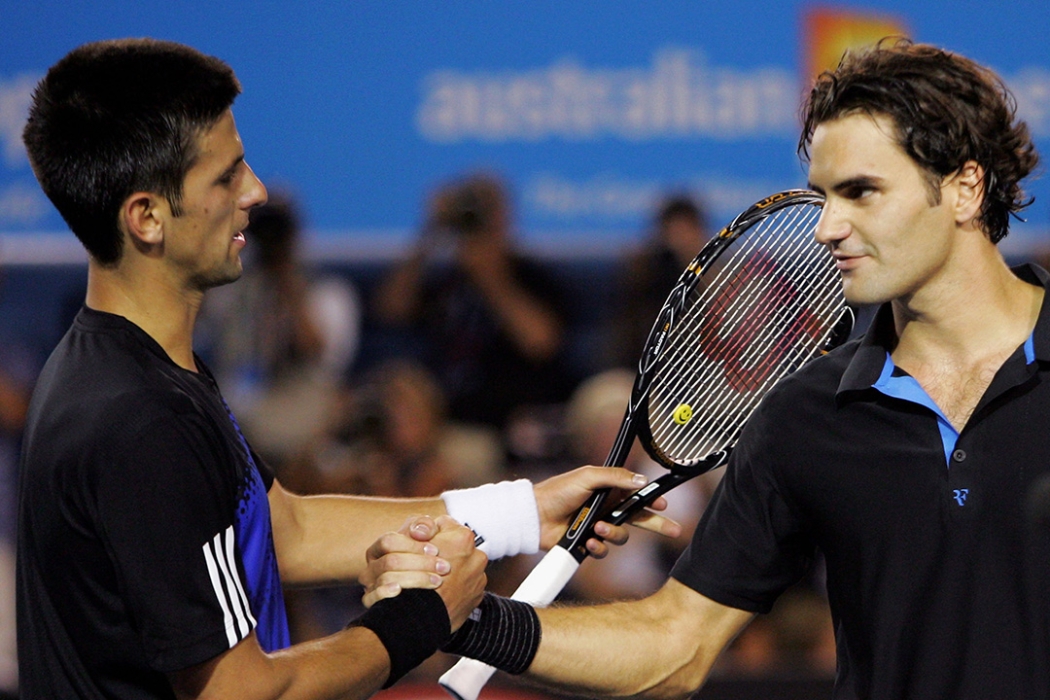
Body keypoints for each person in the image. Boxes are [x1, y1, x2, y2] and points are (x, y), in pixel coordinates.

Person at [15, 39, 678, 700]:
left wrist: (521, 513)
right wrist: (419, 619)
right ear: (147, 218)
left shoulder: (138, 372)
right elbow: (244, 694)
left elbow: (284, 531)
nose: (256, 191)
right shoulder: (140, 418)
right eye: (226, 176)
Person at [432, 40, 1049, 700]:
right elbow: (676, 644)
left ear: (964, 186)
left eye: (861, 192)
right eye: (823, 196)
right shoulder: (804, 415)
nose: (827, 227)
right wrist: (474, 621)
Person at [373, 173, 572, 431]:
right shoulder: (447, 280)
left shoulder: (532, 277)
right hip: (437, 413)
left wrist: (489, 277)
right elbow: (391, 310)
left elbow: (541, 342)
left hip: (504, 418)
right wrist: (431, 232)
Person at [604, 195, 710, 370]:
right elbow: (623, 338)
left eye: (687, 232)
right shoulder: (643, 275)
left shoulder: (723, 275)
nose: (681, 241)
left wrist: (697, 264)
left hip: (702, 376)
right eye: (674, 233)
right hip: (640, 373)